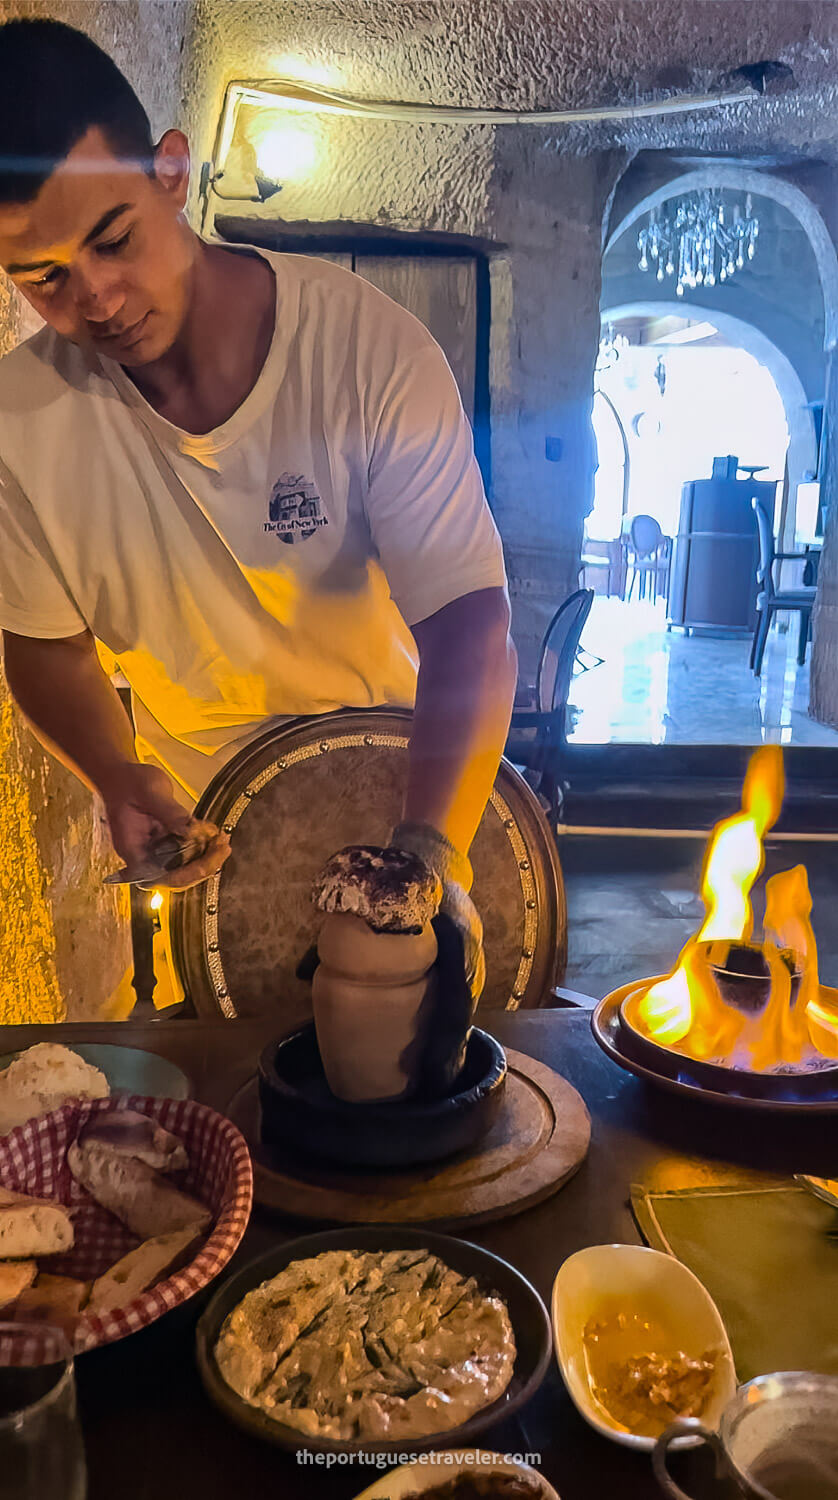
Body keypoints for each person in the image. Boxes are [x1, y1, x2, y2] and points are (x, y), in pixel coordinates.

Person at [0, 19, 517, 1003]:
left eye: (113, 239)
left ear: (169, 174)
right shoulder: (18, 425)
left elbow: (467, 623)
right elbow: (45, 643)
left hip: (409, 792)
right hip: (217, 847)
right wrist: (115, 771)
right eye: (44, 277)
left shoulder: (369, 353)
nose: (97, 296)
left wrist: (426, 853)